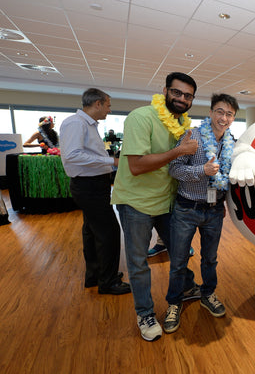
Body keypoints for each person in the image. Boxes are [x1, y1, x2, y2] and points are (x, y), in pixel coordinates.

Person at [111, 72, 199, 342]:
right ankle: (145, 314)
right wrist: (178, 152)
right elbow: (136, 166)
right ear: (165, 91)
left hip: (167, 200)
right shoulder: (141, 117)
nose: (182, 99)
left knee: (180, 251)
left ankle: (186, 286)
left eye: (188, 95)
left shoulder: (183, 124)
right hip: (136, 202)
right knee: (138, 263)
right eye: (177, 92)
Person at [162, 93, 238, 334]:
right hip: (187, 208)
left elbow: (228, 177)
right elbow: (174, 168)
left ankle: (208, 294)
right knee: (178, 261)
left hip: (214, 211)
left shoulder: (231, 143)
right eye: (219, 111)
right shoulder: (193, 136)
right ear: (210, 112)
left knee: (210, 259)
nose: (223, 117)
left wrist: (224, 202)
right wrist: (202, 171)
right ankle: (174, 303)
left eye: (229, 114)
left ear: (233, 118)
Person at [60, 88, 130, 295]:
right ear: (97, 104)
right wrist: (111, 161)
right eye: (108, 105)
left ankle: (96, 275)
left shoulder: (86, 124)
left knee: (92, 232)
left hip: (93, 185)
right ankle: (108, 282)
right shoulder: (76, 123)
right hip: (88, 186)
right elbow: (72, 155)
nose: (109, 109)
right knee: (109, 232)